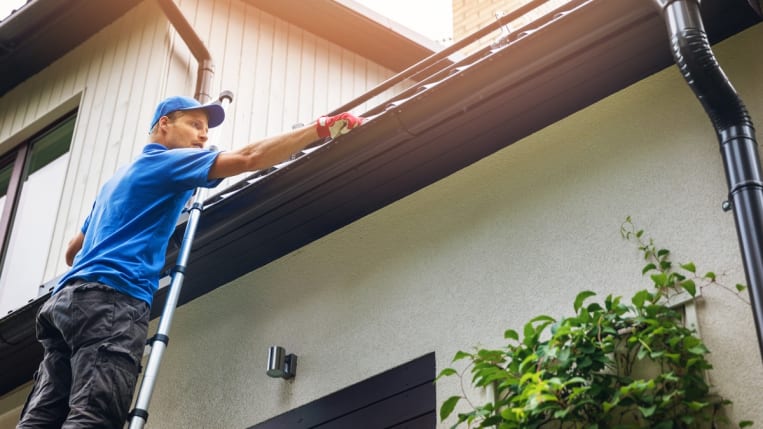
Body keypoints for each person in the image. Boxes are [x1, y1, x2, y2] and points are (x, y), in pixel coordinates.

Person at [16, 95, 364, 428]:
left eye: (207, 130)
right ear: (164, 125)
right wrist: (321, 127)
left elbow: (72, 251)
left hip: (65, 304)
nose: (203, 134)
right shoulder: (167, 162)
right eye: (195, 124)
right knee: (95, 414)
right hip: (111, 302)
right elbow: (248, 157)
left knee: (42, 417)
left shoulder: (115, 182)